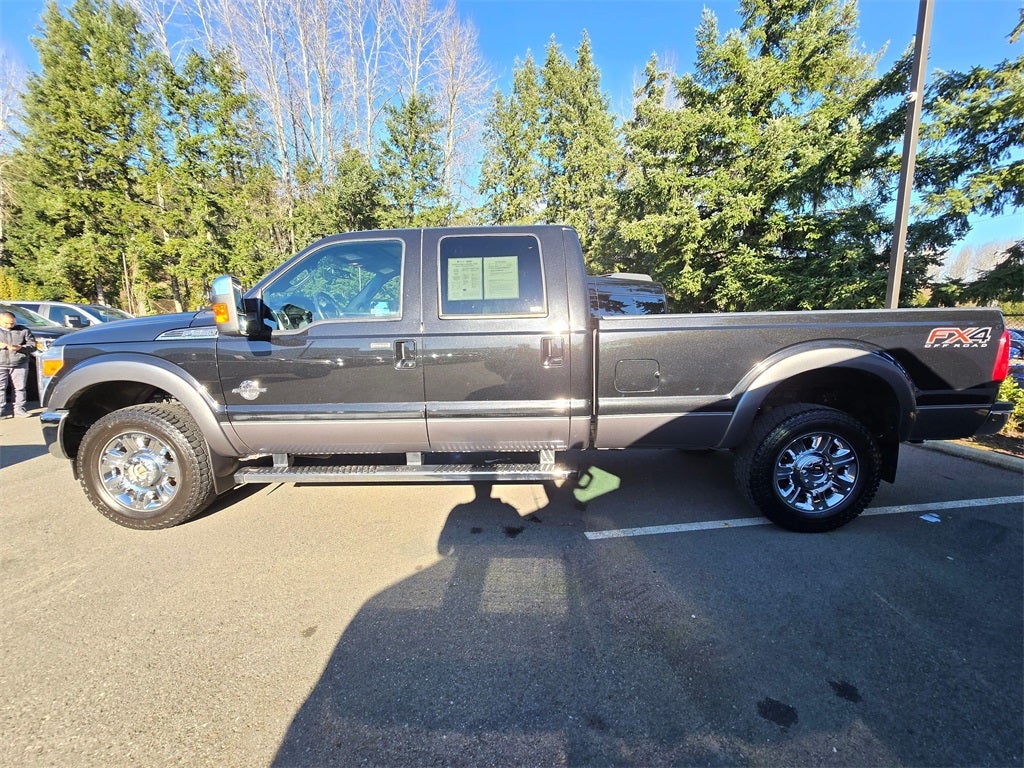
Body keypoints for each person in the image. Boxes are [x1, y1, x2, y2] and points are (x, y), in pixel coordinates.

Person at [0, 311, 37, 418]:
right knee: (1, 388)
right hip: (1, 364)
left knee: (20, 388)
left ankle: (19, 409)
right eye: (6, 323)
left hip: (19, 363)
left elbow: (33, 345)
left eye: (12, 323)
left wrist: (21, 348)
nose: (10, 326)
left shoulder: (23, 330)